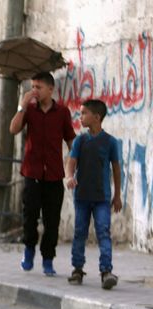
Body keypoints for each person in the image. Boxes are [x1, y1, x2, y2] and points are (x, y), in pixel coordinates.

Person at [10, 71, 76, 276]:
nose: (34, 91)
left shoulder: (62, 112)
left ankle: (48, 259)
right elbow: (13, 129)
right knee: (29, 216)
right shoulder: (29, 110)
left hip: (55, 175)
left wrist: (73, 167)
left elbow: (70, 141)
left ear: (50, 89)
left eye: (38, 87)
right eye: (32, 87)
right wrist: (22, 106)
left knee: (52, 221)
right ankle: (29, 250)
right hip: (32, 173)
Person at [65, 99, 122, 290]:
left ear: (96, 117)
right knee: (80, 232)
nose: (80, 117)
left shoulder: (110, 142)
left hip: (102, 198)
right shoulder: (80, 140)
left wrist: (117, 196)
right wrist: (69, 177)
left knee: (103, 232)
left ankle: (106, 271)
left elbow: (116, 170)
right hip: (81, 196)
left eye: (83, 113)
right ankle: (77, 269)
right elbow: (71, 162)